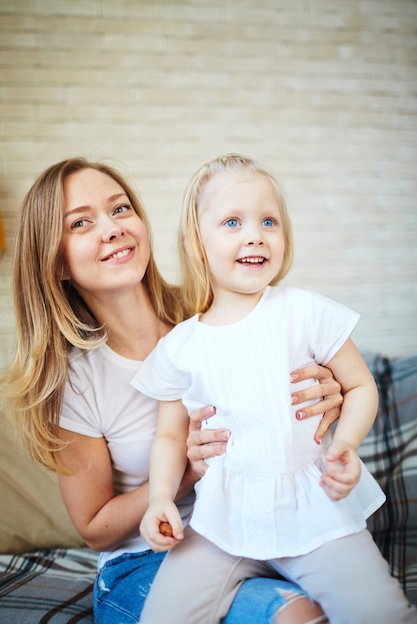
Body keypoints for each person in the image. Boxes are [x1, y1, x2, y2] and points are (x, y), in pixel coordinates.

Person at [0, 157, 347, 624]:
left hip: (257, 531)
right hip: (145, 560)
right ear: (57, 261)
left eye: (120, 209)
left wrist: (328, 386)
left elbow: (302, 363)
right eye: (81, 223)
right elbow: (95, 528)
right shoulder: (74, 383)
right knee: (295, 614)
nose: (112, 228)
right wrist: (186, 472)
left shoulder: (213, 309)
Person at [133, 153, 417, 624]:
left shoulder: (305, 311)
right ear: (196, 242)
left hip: (315, 512)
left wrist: (344, 444)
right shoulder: (181, 345)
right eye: (232, 221)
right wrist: (161, 497)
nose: (255, 234)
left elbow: (362, 385)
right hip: (222, 524)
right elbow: (169, 435)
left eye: (269, 220)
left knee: (381, 614)